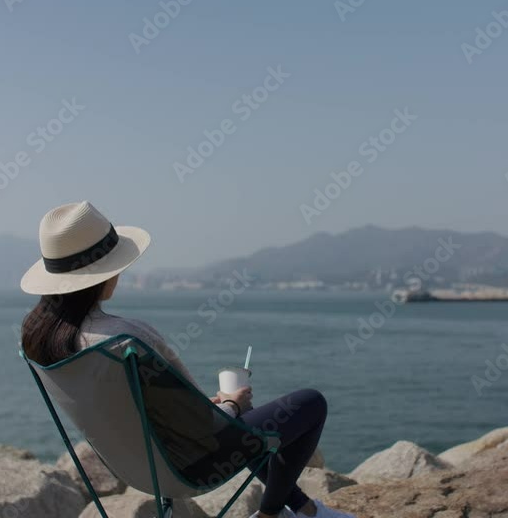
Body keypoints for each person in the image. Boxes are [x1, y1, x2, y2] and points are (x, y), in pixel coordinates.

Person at [19, 201, 354, 518]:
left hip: (131, 466)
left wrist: (214, 407)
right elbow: (210, 428)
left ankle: (307, 510)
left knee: (246, 419)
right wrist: (231, 405)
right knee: (310, 403)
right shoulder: (125, 339)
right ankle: (270, 514)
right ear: (104, 274)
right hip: (188, 466)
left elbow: (142, 407)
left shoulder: (40, 339)